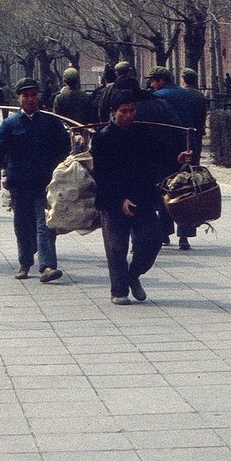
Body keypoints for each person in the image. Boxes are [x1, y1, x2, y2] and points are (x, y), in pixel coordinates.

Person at [92, 90, 191, 305]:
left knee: (153, 239)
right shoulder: (102, 138)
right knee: (116, 248)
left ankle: (133, 274)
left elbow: (158, 153)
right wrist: (120, 200)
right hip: (112, 201)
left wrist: (177, 158)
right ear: (113, 112)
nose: (129, 115)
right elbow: (102, 174)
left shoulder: (141, 132)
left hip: (142, 196)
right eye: (124, 111)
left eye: (132, 110)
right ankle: (119, 290)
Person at [0, 78, 72, 283]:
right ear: (18, 98)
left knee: (46, 223)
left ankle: (48, 266)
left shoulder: (51, 122)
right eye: (26, 95)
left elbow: (65, 151)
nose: (31, 99)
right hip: (20, 183)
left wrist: (62, 170)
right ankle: (25, 263)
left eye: (34, 95)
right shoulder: (10, 124)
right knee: (23, 224)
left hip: (46, 183)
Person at [149, 66, 200, 250]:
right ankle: (184, 236)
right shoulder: (188, 95)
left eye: (153, 80)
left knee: (165, 190)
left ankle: (164, 233)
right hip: (187, 147)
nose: (151, 84)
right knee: (185, 190)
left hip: (167, 151)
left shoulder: (159, 97)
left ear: (161, 79)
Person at [181, 68, 209, 164]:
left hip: (184, 130)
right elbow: (203, 113)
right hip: (198, 129)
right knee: (196, 157)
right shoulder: (200, 95)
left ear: (183, 79)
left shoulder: (181, 93)